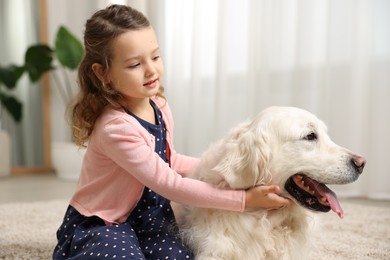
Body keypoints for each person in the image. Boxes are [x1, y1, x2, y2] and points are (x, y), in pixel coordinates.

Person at [52, 4, 292, 260]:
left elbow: (170, 160)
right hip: (104, 220)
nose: (151, 70)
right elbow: (169, 183)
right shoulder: (115, 128)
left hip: (148, 217)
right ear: (104, 73)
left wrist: (224, 172)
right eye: (134, 64)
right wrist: (243, 199)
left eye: (155, 57)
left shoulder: (159, 105)